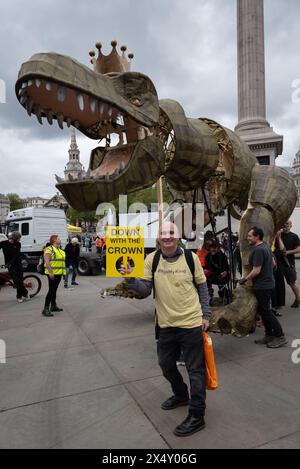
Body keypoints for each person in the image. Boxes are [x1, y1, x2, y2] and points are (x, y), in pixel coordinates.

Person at [121, 221, 211, 437]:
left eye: (171, 232)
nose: (167, 236)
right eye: (163, 233)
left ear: (178, 236)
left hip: (190, 323)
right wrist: (130, 279)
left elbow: (202, 286)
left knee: (195, 371)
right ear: (158, 238)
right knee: (166, 365)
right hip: (165, 325)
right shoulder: (151, 260)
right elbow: (144, 291)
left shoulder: (191, 258)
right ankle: (181, 395)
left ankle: (197, 415)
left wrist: (206, 315)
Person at [239, 226, 288, 348]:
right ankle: (269, 334)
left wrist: (244, 279)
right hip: (267, 284)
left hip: (263, 286)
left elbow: (256, 270)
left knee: (266, 311)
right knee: (263, 310)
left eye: (250, 236)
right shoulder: (265, 246)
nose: (248, 238)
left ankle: (280, 336)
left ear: (257, 236)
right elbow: (273, 264)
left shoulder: (258, 250)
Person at [275, 220, 300, 308]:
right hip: (278, 263)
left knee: (291, 282)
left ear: (291, 225)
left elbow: (298, 249)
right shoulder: (277, 235)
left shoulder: (294, 236)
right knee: (278, 283)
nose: (285, 225)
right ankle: (278, 302)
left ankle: (298, 299)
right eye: (283, 224)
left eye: (287, 224)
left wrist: (288, 252)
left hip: (289, 263)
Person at [0, 231, 29, 303]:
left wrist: (10, 263)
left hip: (18, 264)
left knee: (20, 281)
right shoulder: (4, 243)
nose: (19, 239)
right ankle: (25, 293)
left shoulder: (18, 244)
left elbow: (16, 255)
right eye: (19, 238)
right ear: (15, 238)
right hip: (11, 266)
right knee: (17, 281)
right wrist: (9, 264)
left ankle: (19, 296)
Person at [42, 235, 66, 317]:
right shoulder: (49, 249)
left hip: (59, 273)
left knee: (54, 290)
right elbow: (47, 262)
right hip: (52, 273)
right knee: (51, 290)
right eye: (58, 238)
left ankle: (53, 306)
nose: (60, 239)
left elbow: (61, 262)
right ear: (54, 240)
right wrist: (50, 272)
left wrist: (63, 273)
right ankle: (45, 308)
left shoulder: (59, 250)